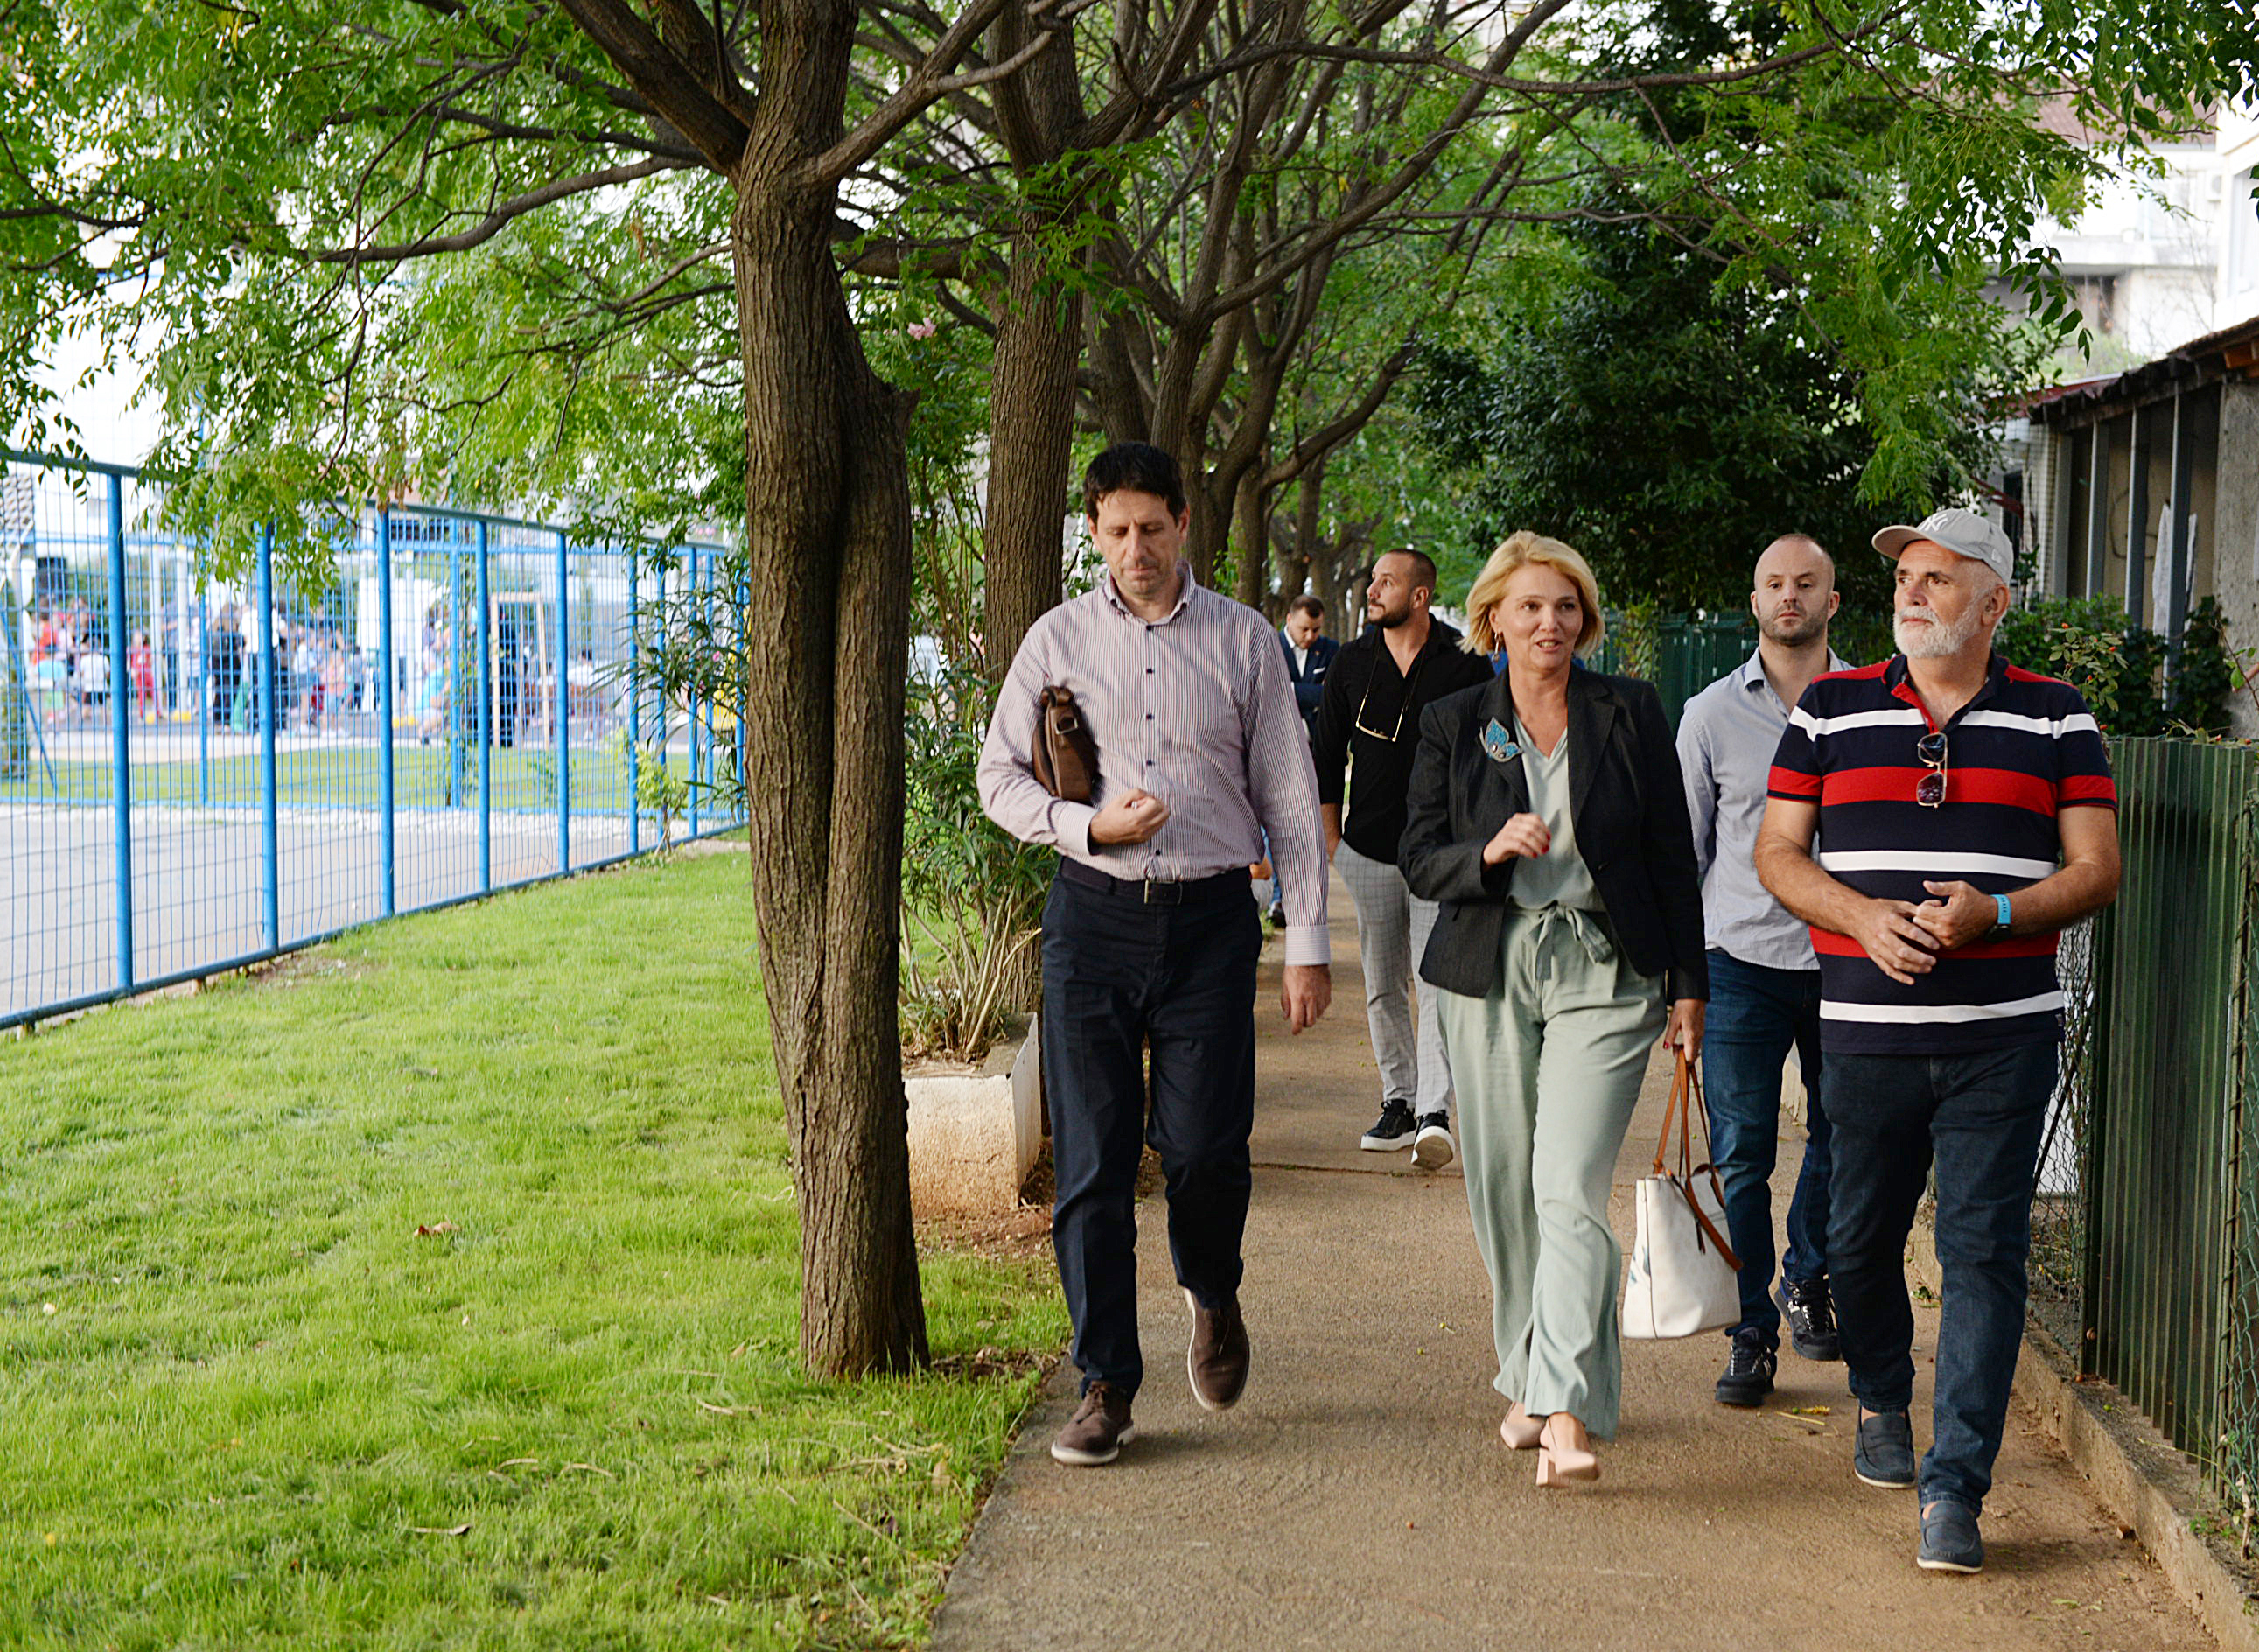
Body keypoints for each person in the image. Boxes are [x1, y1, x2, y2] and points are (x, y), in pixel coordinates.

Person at [1755, 507, 2121, 1574]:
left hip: (2000, 1040)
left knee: (1980, 1257)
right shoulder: (1827, 709)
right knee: (1857, 1244)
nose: (1911, 593)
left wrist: (1996, 916)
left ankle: (1955, 1487)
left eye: (1938, 578)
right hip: (1862, 1036)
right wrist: (1858, 917)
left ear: (1994, 602)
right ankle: (1878, 1397)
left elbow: (2094, 869)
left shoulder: (2057, 720)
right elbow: (1776, 852)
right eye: (1904, 577)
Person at [977, 442, 1332, 1468]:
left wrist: (1302, 945)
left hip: (1211, 923)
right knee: (1089, 1163)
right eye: (1116, 529)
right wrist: (1086, 828)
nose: (1136, 548)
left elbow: (1286, 798)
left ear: (1184, 522)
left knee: (1206, 1148)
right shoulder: (1053, 641)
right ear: (1092, 530)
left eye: (1153, 527)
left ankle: (1210, 1287)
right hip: (1091, 920)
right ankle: (1104, 1384)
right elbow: (997, 776)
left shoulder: (1243, 640)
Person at [1401, 530, 1707, 1488]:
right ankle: (1531, 1376)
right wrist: (1485, 850)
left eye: (1565, 605)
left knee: (1566, 1185)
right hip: (1486, 964)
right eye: (1530, 606)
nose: (1549, 622)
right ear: (1492, 617)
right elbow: (1416, 854)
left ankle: (1565, 1411)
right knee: (1501, 1185)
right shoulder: (1455, 719)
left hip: (1601, 969)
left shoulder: (1629, 711)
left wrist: (1687, 987)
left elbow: (1669, 857)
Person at [1675, 535, 1849, 1408]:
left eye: (1805, 583)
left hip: (1846, 961)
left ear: (1831, 599)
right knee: (1741, 1156)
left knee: (1842, 1136)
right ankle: (1750, 1332)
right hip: (1737, 958)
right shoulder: (1707, 715)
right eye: (1774, 584)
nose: (1789, 597)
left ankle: (1806, 1275)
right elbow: (1683, 856)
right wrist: (1684, 983)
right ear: (1752, 602)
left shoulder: (1870, 710)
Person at [1312, 547, 1492, 1166]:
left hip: (1441, 854)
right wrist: (1334, 844)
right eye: (1371, 579)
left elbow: (1496, 746)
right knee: (1383, 983)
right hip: (1367, 849)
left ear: (1419, 596)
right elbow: (1325, 754)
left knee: (1434, 979)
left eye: (1384, 580)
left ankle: (1434, 1112)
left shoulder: (1466, 665)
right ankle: (1399, 1100)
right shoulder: (1351, 663)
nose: (1371, 588)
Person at [1278, 595, 1338, 737]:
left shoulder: (1330, 649)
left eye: (1316, 629)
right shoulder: (1271, 647)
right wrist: (1314, 691)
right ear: (1289, 620)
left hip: (1316, 739)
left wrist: (1289, 688)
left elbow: (1333, 696)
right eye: (1304, 629)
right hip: (1277, 737)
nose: (1311, 636)